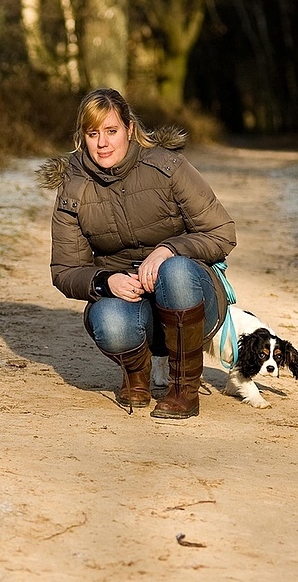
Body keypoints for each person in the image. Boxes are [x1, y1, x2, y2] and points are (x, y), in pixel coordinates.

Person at [38, 88, 236, 419]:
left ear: (129, 129)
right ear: (82, 136)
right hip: (132, 304)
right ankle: (136, 374)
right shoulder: (72, 186)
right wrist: (106, 281)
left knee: (175, 271)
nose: (102, 143)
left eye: (111, 131)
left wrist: (169, 249)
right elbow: (65, 270)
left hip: (191, 296)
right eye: (93, 134)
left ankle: (183, 389)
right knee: (108, 319)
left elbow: (222, 232)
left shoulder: (167, 166)